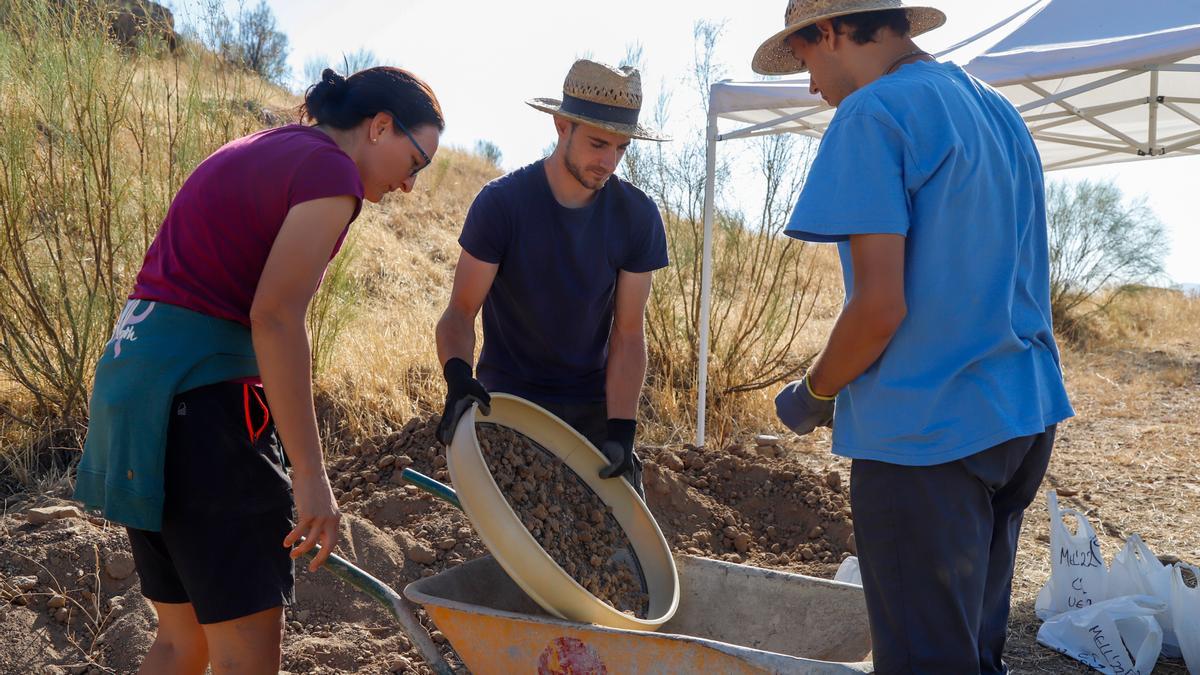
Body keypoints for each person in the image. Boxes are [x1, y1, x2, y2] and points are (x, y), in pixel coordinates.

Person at [74, 66, 443, 674]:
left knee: (180, 643)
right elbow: (274, 317)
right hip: (200, 402)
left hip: (134, 393)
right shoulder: (330, 172)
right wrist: (311, 474)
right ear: (380, 127)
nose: (410, 185)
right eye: (417, 161)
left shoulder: (268, 144)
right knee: (245, 660)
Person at [752, 2, 1075, 672]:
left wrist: (814, 392)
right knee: (972, 653)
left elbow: (878, 308)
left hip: (927, 437)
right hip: (1021, 420)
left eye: (806, 59)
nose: (811, 85)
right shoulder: (994, 108)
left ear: (832, 31)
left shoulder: (872, 115)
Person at [435, 59, 669, 497]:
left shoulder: (637, 216)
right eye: (598, 143)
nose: (608, 162)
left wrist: (621, 430)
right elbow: (460, 312)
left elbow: (628, 335)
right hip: (507, 403)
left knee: (611, 554)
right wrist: (458, 379)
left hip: (591, 406)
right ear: (562, 126)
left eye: (622, 148)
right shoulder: (502, 204)